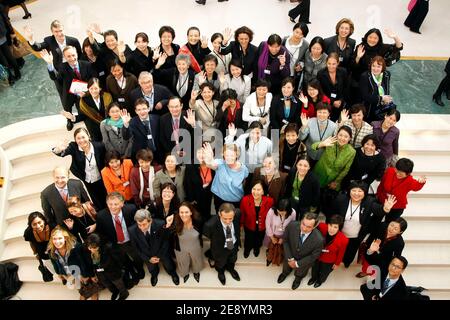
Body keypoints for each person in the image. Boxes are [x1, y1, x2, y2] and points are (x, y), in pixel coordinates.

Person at [333, 180, 397, 267]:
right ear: (349, 191)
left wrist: (385, 209)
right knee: (337, 249)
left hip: (356, 236)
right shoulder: (341, 199)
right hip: (340, 233)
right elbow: (333, 213)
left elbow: (378, 210)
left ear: (365, 192)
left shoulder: (369, 202)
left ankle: (346, 262)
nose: (356, 193)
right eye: (354, 190)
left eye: (360, 191)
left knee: (350, 252)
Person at [24, 20, 82, 108]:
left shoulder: (73, 41)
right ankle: (69, 118)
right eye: (56, 31)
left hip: (73, 71)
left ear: (63, 29)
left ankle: (81, 114)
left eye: (60, 30)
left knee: (79, 96)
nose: (59, 34)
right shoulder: (49, 41)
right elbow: (38, 47)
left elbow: (80, 56)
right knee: (65, 99)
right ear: (52, 32)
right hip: (59, 73)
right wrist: (31, 39)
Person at [40, 46, 97, 131]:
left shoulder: (87, 64)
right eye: (69, 56)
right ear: (65, 57)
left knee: (85, 114)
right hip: (69, 93)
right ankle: (69, 120)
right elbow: (55, 78)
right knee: (67, 106)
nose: (72, 58)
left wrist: (88, 91)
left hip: (84, 93)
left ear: (77, 54)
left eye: (73, 55)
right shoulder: (62, 67)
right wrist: (50, 64)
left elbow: (94, 79)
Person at [95, 192, 145, 285]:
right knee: (123, 260)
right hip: (115, 244)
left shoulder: (131, 209)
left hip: (130, 241)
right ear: (107, 203)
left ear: (122, 203)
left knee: (136, 257)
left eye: (116, 204)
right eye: (110, 204)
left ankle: (140, 269)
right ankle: (131, 271)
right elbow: (101, 232)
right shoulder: (101, 216)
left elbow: (137, 224)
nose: (113, 207)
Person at [52, 127, 107, 210]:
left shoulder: (98, 146)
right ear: (75, 139)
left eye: (83, 137)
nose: (81, 140)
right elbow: (62, 153)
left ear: (88, 137)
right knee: (98, 204)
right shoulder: (73, 147)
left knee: (107, 199)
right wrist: (58, 149)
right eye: (78, 138)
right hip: (88, 181)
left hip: (102, 179)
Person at [128, 209, 179, 286]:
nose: (142, 228)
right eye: (139, 224)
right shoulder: (132, 230)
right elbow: (136, 248)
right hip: (147, 256)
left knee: (169, 265)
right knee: (152, 269)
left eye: (144, 224)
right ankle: (154, 275)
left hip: (162, 252)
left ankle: (172, 273)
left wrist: (160, 256)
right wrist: (148, 259)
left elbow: (165, 241)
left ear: (150, 221)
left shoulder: (160, 224)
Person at [350, 28, 402, 102]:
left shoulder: (382, 47)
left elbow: (398, 47)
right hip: (361, 79)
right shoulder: (361, 47)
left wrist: (395, 37)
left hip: (376, 80)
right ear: (366, 37)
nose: (372, 40)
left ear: (379, 39)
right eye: (370, 37)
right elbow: (353, 67)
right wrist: (358, 57)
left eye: (375, 38)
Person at [277, 212, 323, 290]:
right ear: (301, 220)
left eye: (308, 227)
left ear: (315, 226)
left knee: (300, 272)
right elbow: (285, 241)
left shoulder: (319, 240)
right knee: (286, 267)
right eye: (303, 224)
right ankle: (285, 273)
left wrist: (297, 263)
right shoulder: (292, 226)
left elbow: (314, 256)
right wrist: (290, 258)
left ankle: (298, 279)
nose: (304, 228)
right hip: (289, 255)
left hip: (304, 262)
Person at [47, 226, 91, 299]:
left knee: (89, 286)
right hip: (68, 273)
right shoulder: (51, 251)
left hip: (79, 271)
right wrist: (59, 273)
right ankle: (82, 292)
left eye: (60, 238)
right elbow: (54, 263)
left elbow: (83, 261)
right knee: (78, 285)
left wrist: (85, 275)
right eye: (54, 239)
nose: (57, 242)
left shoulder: (75, 247)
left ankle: (91, 294)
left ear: (65, 238)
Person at [376, 158, 427, 222]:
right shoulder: (389, 171)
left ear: (408, 173)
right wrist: (378, 195)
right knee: (375, 220)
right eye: (397, 171)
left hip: (397, 207)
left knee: (388, 224)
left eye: (401, 174)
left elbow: (416, 187)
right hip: (382, 201)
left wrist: (421, 182)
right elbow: (382, 185)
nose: (397, 174)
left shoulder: (409, 180)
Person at [203, 142, 249, 211]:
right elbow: (210, 164)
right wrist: (210, 157)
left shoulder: (244, 169)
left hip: (236, 201)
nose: (229, 158)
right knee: (220, 219)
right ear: (223, 155)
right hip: (220, 200)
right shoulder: (220, 163)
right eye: (227, 155)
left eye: (232, 155)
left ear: (237, 155)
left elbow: (244, 183)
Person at [203, 203, 241, 286]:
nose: (228, 221)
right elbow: (208, 234)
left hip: (233, 245)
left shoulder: (237, 213)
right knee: (220, 262)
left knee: (233, 259)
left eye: (230, 218)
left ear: (234, 214)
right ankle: (220, 273)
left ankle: (231, 269)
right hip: (220, 248)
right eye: (225, 219)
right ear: (219, 214)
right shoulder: (210, 225)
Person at [84, 233, 129, 300]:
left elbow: (114, 261)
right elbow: (90, 264)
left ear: (99, 245)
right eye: (89, 247)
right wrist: (93, 274)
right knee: (108, 284)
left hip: (112, 272)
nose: (91, 249)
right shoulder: (88, 251)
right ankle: (115, 291)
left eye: (94, 247)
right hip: (101, 274)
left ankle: (124, 293)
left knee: (118, 283)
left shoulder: (107, 249)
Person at [312, 125, 356, 193]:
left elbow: (346, 169)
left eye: (346, 136)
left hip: (333, 179)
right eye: (340, 135)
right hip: (319, 173)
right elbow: (313, 146)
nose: (342, 138)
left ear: (349, 138)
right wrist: (322, 144)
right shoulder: (331, 142)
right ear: (337, 135)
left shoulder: (352, 151)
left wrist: (336, 182)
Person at [308, 215, 348, 288]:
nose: (331, 229)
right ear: (328, 224)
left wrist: (337, 263)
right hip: (317, 256)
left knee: (324, 273)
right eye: (330, 225)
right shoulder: (322, 226)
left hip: (329, 260)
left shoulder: (344, 239)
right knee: (314, 269)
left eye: (335, 227)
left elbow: (341, 253)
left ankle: (320, 281)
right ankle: (313, 278)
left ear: (339, 228)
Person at [170, 202, 204, 283]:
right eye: (181, 212)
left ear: (191, 212)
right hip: (180, 247)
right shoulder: (175, 221)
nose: (184, 215)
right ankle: (185, 273)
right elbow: (168, 235)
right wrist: (168, 225)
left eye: (186, 212)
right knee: (182, 261)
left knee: (196, 259)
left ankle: (196, 272)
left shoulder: (198, 220)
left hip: (195, 245)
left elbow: (202, 232)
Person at [240, 180, 274, 258]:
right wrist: (241, 225)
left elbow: (271, 216)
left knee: (259, 239)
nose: (255, 192)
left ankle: (256, 248)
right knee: (248, 239)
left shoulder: (270, 201)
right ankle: (247, 249)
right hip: (249, 225)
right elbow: (242, 214)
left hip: (262, 227)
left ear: (263, 191)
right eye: (254, 189)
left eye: (258, 190)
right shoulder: (245, 200)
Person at [184, 148, 215, 227]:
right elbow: (187, 183)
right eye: (199, 153)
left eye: (203, 153)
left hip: (208, 196)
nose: (201, 155)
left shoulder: (213, 166)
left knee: (207, 216)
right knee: (197, 219)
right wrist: (191, 199)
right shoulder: (190, 167)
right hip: (195, 198)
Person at [317, 53, 349, 121]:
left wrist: (341, 100)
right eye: (329, 63)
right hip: (326, 104)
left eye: (334, 64)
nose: (331, 66)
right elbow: (320, 91)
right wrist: (332, 102)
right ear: (326, 63)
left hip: (341, 103)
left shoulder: (343, 72)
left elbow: (346, 88)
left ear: (338, 63)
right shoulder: (321, 73)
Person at [359, 56, 393, 121]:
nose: (375, 69)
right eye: (373, 66)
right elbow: (365, 96)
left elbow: (387, 89)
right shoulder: (365, 76)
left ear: (382, 67)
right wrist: (381, 98)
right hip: (369, 108)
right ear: (370, 66)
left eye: (378, 66)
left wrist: (387, 99)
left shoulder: (386, 74)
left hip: (382, 108)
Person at [264, 199, 296, 266]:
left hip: (284, 235)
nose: (280, 214)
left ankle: (278, 258)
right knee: (270, 247)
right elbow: (268, 225)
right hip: (272, 234)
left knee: (280, 249)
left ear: (288, 210)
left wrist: (283, 238)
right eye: (279, 211)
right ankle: (269, 258)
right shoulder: (271, 211)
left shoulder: (293, 213)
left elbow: (292, 226)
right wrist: (272, 237)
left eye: (283, 212)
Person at [282, 22, 309, 91]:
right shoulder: (285, 40)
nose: (298, 35)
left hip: (293, 73)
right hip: (282, 71)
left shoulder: (305, 45)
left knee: (291, 90)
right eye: (296, 32)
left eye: (301, 34)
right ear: (293, 30)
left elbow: (304, 59)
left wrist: (300, 65)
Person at [0, 4, 20, 85]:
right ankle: (17, 73)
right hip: (2, 33)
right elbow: (5, 18)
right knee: (8, 55)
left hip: (2, 33)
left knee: (2, 59)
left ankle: (10, 78)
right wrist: (11, 31)